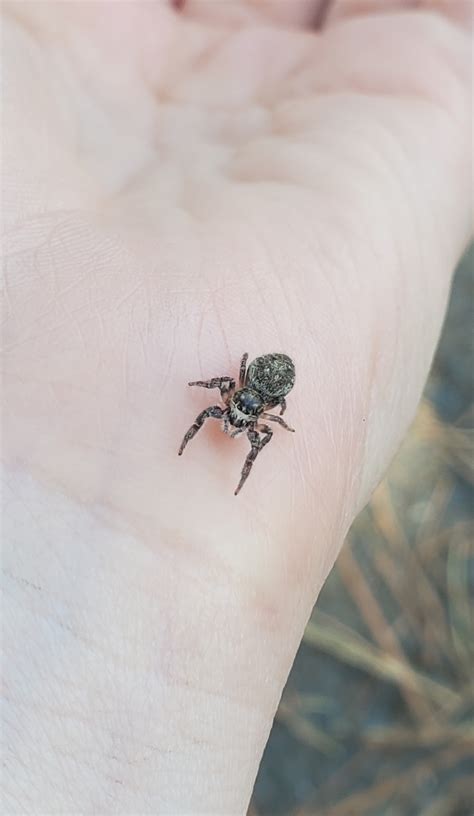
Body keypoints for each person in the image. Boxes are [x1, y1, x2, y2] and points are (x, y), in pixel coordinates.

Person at [2, 1, 471, 812]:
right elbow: (227, 388)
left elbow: (259, 407)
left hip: (275, 374)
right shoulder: (238, 391)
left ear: (255, 401)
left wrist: (259, 422)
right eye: (239, 404)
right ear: (243, 392)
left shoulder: (258, 403)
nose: (236, 410)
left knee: (244, 434)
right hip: (267, 373)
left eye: (243, 409)